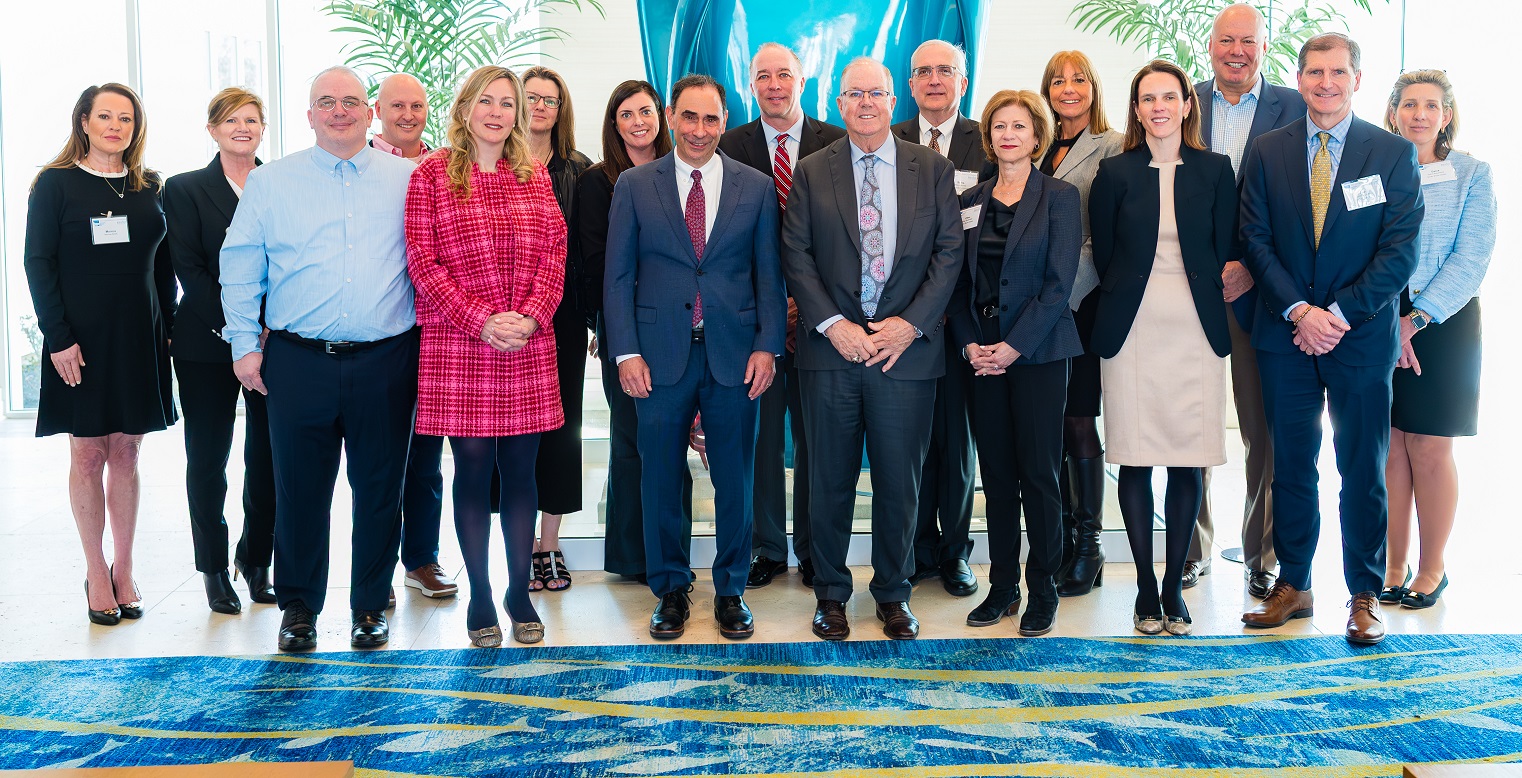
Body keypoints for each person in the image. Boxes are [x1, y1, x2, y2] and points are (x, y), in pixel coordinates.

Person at [221, 66, 419, 652]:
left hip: (386, 358)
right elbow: (239, 267)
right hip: (297, 360)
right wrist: (244, 344)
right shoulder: (271, 183)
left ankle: (369, 608)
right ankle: (299, 609)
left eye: (351, 101)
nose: (340, 111)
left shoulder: (411, 179)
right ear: (308, 115)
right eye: (326, 102)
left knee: (381, 487)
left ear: (370, 112)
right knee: (299, 489)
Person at [1239, 34, 1424, 645]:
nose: (1325, 82)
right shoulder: (1267, 151)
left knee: (1362, 468)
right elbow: (1255, 240)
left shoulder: (1392, 153)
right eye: (1314, 72)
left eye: (1337, 72)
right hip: (1285, 336)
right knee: (1291, 466)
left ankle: (1364, 593)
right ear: (1299, 79)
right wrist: (1298, 310)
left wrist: (1336, 313)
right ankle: (1294, 583)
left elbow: (1400, 252)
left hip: (1360, 336)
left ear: (1357, 79)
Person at [782, 57, 962, 641]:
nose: (865, 103)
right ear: (839, 103)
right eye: (854, 94)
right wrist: (834, 325)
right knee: (827, 479)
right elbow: (797, 255)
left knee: (899, 480)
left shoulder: (931, 168)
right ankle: (831, 594)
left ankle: (893, 592)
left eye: (876, 93)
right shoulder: (812, 171)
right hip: (832, 352)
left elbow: (947, 254)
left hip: (904, 355)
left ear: (894, 100)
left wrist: (909, 326)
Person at [605, 73, 786, 640]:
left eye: (711, 119)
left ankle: (731, 589)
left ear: (723, 121)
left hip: (735, 355)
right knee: (659, 475)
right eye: (688, 117)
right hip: (657, 357)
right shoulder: (636, 185)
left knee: (735, 476)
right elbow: (618, 277)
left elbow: (769, 276)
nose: (699, 130)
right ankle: (671, 589)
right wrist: (626, 351)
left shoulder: (755, 187)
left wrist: (767, 346)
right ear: (670, 116)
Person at [405, 65, 567, 647]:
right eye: (487, 101)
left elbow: (556, 254)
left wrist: (529, 317)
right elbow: (424, 265)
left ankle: (517, 592)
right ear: (465, 107)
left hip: (526, 343)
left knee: (521, 474)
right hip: (459, 346)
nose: (497, 112)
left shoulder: (534, 176)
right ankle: (478, 593)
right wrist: (482, 321)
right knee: (471, 472)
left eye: (507, 103)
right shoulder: (430, 175)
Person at [1089, 60, 1237, 636]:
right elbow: (1104, 256)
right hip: (1131, 331)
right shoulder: (1115, 172)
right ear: (1136, 109)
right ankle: (1144, 591)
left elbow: (1225, 248)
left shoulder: (1216, 170)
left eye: (1168, 97)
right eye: (1147, 98)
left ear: (1186, 105)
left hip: (1196, 332)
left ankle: (1175, 585)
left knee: (1186, 458)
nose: (1158, 107)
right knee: (1134, 454)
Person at [24, 83, 177, 627]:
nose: (116, 126)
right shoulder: (55, 184)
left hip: (140, 335)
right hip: (79, 340)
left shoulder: (148, 186)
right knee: (88, 455)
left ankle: (125, 569)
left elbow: (163, 264)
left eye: (126, 118)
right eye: (105, 116)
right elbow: (38, 264)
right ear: (83, 122)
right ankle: (94, 570)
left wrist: (168, 324)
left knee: (128, 453)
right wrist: (58, 336)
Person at [948, 90, 1082, 636]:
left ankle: (1043, 587)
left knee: (1040, 475)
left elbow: (1059, 284)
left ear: (1036, 136)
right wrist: (969, 344)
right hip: (980, 355)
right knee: (997, 475)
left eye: (1019, 126)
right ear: (989, 136)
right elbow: (954, 284)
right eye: (999, 126)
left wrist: (1014, 346)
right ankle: (1003, 587)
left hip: (1039, 354)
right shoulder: (968, 199)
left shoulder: (1060, 196)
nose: (1008, 134)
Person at [1187, 3, 1307, 598]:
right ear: (1210, 46)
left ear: (1265, 47)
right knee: (1189, 420)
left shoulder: (1296, 106)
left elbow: (1303, 203)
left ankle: (1261, 553)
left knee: (1264, 429)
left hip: (1261, 291)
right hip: (1185, 291)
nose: (1236, 51)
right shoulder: (1182, 101)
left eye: (1248, 41)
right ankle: (1190, 547)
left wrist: (1253, 269)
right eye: (1225, 40)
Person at [717, 42, 846, 590]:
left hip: (821, 320)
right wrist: (772, 307)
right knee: (762, 441)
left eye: (784, 75)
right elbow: (720, 240)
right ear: (751, 85)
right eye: (763, 76)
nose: (774, 84)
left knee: (820, 440)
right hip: (753, 323)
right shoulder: (727, 145)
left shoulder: (835, 143)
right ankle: (768, 547)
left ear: (803, 79)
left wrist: (806, 304)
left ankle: (818, 550)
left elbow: (845, 238)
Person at [1379, 69, 1494, 609]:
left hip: (1444, 323)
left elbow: (1471, 259)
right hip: (1378, 316)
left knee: (1428, 446)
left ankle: (1432, 567)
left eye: (1430, 105)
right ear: (1394, 112)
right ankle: (1392, 565)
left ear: (1446, 115)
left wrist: (1417, 318)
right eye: (1409, 104)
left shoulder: (1473, 174)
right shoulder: (1374, 171)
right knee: (1390, 448)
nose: (1419, 114)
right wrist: (1389, 315)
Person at [162, 87, 277, 615]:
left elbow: (292, 263)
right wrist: (242, 330)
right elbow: (191, 269)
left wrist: (266, 330)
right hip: (206, 343)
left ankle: (256, 560)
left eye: (251, 119)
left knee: (268, 458)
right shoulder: (184, 189)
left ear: (262, 129)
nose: (242, 128)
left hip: (274, 343)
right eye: (231, 120)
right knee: (208, 460)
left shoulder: (280, 182)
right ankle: (211, 568)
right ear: (212, 129)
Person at [576, 81, 692, 583]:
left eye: (645, 111)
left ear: (661, 117)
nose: (638, 122)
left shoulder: (684, 175)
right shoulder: (598, 183)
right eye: (626, 114)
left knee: (673, 444)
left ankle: (673, 552)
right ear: (614, 123)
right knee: (631, 441)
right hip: (627, 328)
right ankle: (633, 557)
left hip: (685, 328)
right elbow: (601, 264)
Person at [890, 39, 983, 598]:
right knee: (909, 441)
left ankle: (954, 553)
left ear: (962, 82)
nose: (933, 80)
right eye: (922, 71)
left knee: (957, 443)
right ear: (909, 84)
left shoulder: (988, 139)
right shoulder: (889, 138)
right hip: (904, 320)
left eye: (944, 71)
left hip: (965, 318)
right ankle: (915, 549)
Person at [1037, 50, 1124, 599]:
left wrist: (1060, 293)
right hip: (1030, 311)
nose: (1068, 89)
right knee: (1044, 426)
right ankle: (1059, 538)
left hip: (1080, 303)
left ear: (1094, 87)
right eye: (1058, 81)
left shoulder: (1114, 147)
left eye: (1079, 79)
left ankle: (1089, 545)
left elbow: (1106, 234)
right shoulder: (1035, 144)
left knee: (1076, 419)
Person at [371, 73, 457, 604]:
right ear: (378, 110)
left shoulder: (444, 165)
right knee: (379, 458)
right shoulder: (359, 165)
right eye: (397, 105)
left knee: (427, 455)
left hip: (435, 329)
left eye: (417, 105)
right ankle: (373, 570)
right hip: (378, 330)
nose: (408, 113)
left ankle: (421, 559)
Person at [521, 65, 593, 593]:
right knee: (515, 434)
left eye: (550, 99)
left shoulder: (581, 169)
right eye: (531, 98)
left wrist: (592, 319)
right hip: (507, 322)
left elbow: (591, 255)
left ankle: (551, 542)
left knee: (562, 432)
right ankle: (521, 544)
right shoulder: (492, 166)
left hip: (564, 319)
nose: (540, 106)